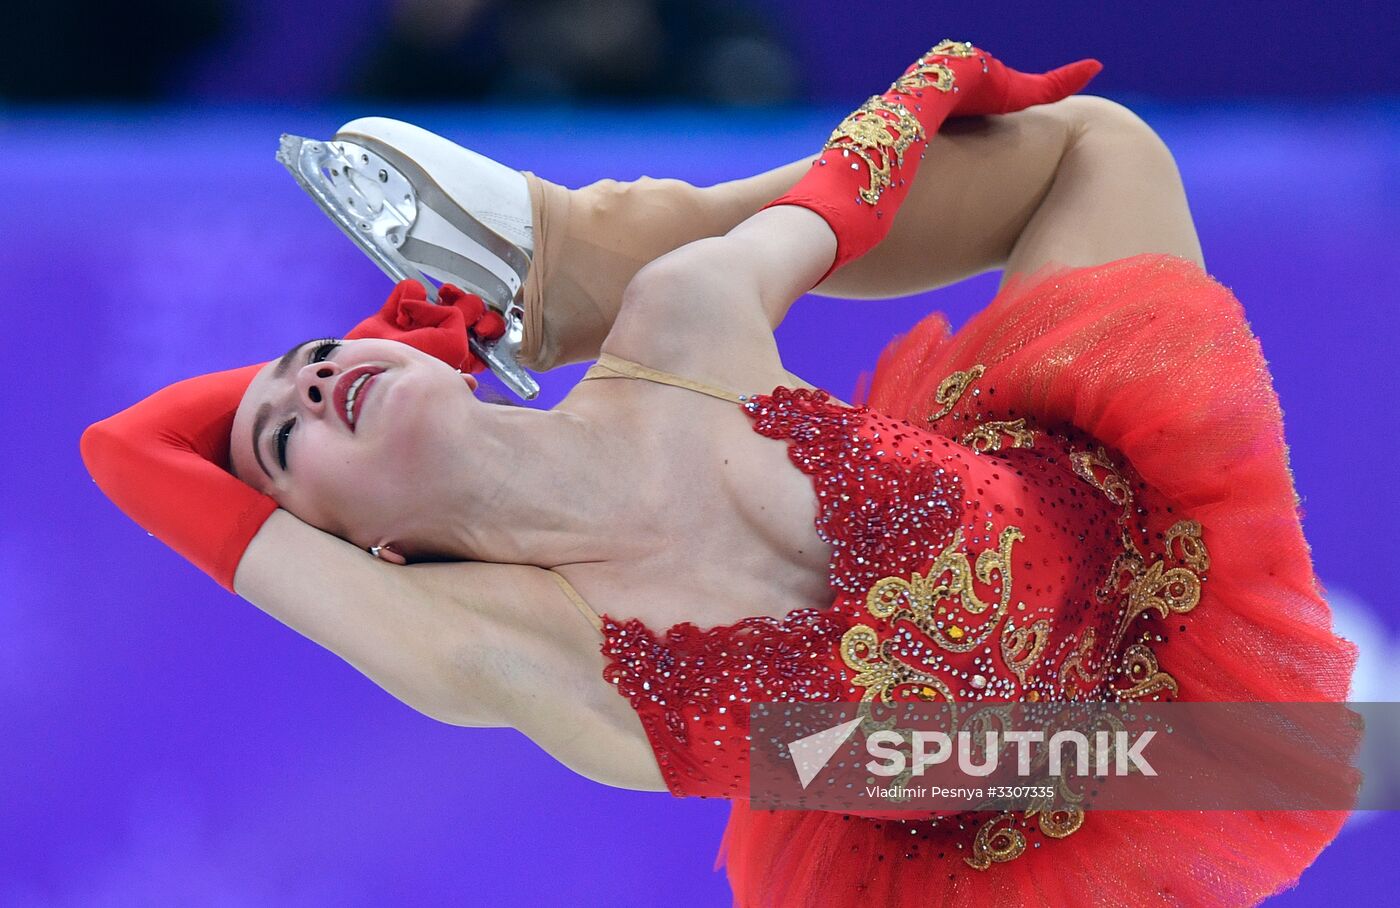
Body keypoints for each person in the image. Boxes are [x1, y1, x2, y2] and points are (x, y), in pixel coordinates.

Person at [81, 42, 1356, 906]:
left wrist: (945, 75)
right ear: (354, 549)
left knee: (1091, 140)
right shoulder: (497, 644)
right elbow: (127, 451)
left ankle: (567, 261)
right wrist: (380, 352)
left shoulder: (686, 328)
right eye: (282, 439)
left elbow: (847, 189)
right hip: (1034, 799)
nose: (306, 385)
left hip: (1132, 545)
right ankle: (558, 263)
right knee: (1226, 756)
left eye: (314, 358)